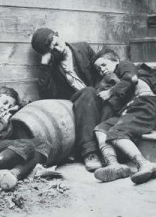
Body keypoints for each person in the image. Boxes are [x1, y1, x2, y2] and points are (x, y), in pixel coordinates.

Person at [31, 28, 107, 172]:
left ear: (58, 34)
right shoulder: (52, 66)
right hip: (77, 103)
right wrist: (45, 65)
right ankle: (90, 153)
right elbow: (46, 95)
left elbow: (101, 72)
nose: (58, 49)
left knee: (91, 92)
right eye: (52, 50)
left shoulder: (83, 48)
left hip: (100, 95)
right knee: (87, 93)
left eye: (57, 43)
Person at [92, 48, 156, 184]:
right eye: (98, 69)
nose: (102, 70)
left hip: (143, 106)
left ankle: (144, 164)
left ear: (116, 61)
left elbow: (131, 78)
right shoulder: (113, 80)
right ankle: (113, 164)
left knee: (116, 132)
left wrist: (110, 92)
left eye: (104, 64)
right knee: (101, 129)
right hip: (128, 110)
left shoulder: (124, 65)